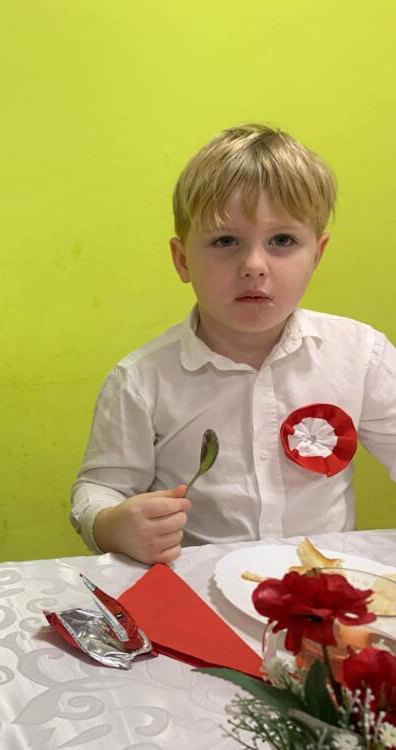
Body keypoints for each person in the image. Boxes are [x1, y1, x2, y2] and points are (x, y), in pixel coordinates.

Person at [71, 124, 396, 564]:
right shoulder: (142, 380)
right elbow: (99, 488)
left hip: (322, 586)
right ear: (182, 260)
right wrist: (111, 524)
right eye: (225, 241)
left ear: (316, 255)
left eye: (282, 240)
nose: (254, 265)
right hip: (196, 586)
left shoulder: (361, 354)